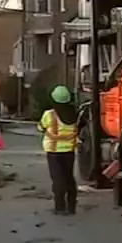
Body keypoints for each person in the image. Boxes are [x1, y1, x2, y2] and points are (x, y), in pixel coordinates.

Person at [38, 85, 79, 215]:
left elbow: (40, 127)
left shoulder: (49, 115)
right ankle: (71, 206)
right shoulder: (75, 114)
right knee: (69, 178)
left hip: (54, 152)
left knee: (57, 179)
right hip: (69, 152)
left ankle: (59, 207)